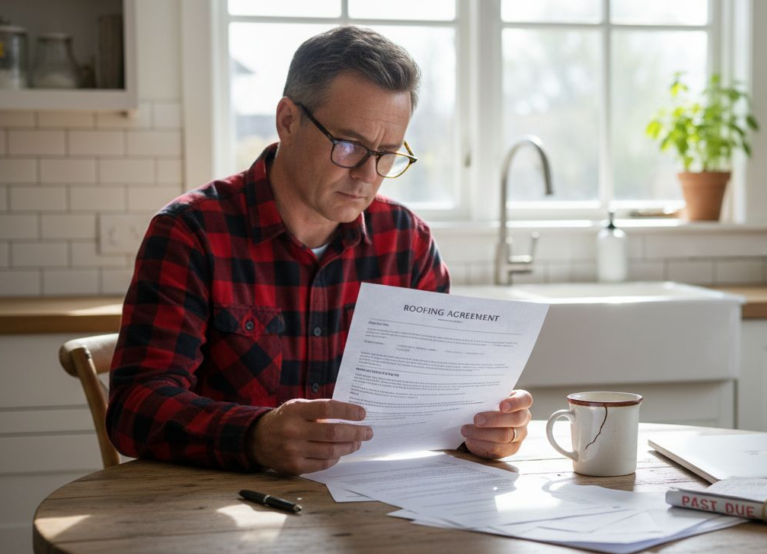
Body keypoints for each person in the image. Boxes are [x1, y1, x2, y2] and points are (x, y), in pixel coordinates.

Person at [107, 26, 532, 476]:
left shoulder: (407, 243)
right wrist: (255, 436)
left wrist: (480, 429)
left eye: (387, 154)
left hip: (369, 517)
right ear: (288, 121)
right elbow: (135, 407)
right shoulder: (190, 233)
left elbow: (437, 405)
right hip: (226, 512)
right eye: (348, 146)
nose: (367, 175)